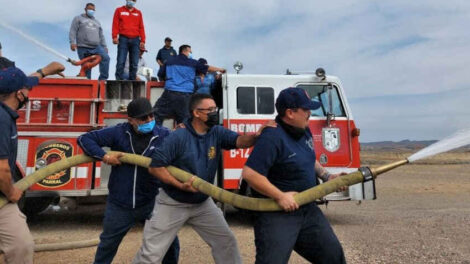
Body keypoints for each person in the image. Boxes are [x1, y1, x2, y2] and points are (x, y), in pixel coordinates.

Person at [133, 93, 273, 264]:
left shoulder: (216, 132)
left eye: (215, 109)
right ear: (196, 113)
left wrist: (258, 135)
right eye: (210, 110)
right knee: (151, 254)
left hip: (202, 203)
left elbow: (240, 141)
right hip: (173, 202)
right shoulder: (179, 136)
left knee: (226, 242)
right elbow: (155, 167)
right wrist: (180, 185)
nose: (215, 113)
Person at [241, 87, 347, 264]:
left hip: (307, 210)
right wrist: (280, 196)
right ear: (290, 113)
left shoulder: (303, 130)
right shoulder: (272, 136)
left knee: (333, 257)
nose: (309, 114)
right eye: (305, 110)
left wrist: (328, 176)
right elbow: (250, 174)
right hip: (277, 213)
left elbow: (308, 159)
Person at [77, 97, 180, 264]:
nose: (149, 121)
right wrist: (105, 156)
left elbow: (182, 151)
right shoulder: (118, 132)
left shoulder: (163, 135)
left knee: (169, 242)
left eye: (151, 116)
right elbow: (84, 139)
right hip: (120, 203)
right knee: (108, 244)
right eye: (143, 118)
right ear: (131, 120)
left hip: (152, 201)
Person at [0, 62, 65, 264]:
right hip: (2, 197)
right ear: (18, 94)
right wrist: (12, 192)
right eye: (26, 91)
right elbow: (2, 170)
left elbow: (28, 80)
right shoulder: (1, 119)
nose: (29, 94)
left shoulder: (6, 102)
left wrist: (47, 70)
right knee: (21, 246)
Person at [154, 44, 226, 126]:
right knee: (185, 121)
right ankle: (184, 136)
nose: (191, 53)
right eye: (190, 52)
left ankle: (156, 135)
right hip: (185, 96)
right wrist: (221, 69)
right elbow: (207, 68)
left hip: (169, 94)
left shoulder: (169, 62)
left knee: (156, 114)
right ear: (185, 51)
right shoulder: (192, 63)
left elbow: (160, 74)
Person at [69, 2, 110, 80]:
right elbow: (73, 30)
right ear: (85, 9)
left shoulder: (97, 22)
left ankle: (102, 80)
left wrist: (104, 46)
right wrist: (72, 42)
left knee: (106, 58)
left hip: (97, 47)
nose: (91, 11)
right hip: (83, 47)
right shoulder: (78, 18)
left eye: (93, 10)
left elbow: (101, 35)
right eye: (90, 9)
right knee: (86, 67)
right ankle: (87, 83)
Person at [112, 0, 146, 80]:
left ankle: (132, 80)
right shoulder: (119, 10)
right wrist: (114, 36)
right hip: (123, 38)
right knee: (121, 61)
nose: (132, 1)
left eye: (134, 0)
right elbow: (115, 24)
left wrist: (143, 40)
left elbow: (141, 27)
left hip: (135, 39)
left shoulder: (138, 12)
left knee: (134, 63)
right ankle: (118, 80)